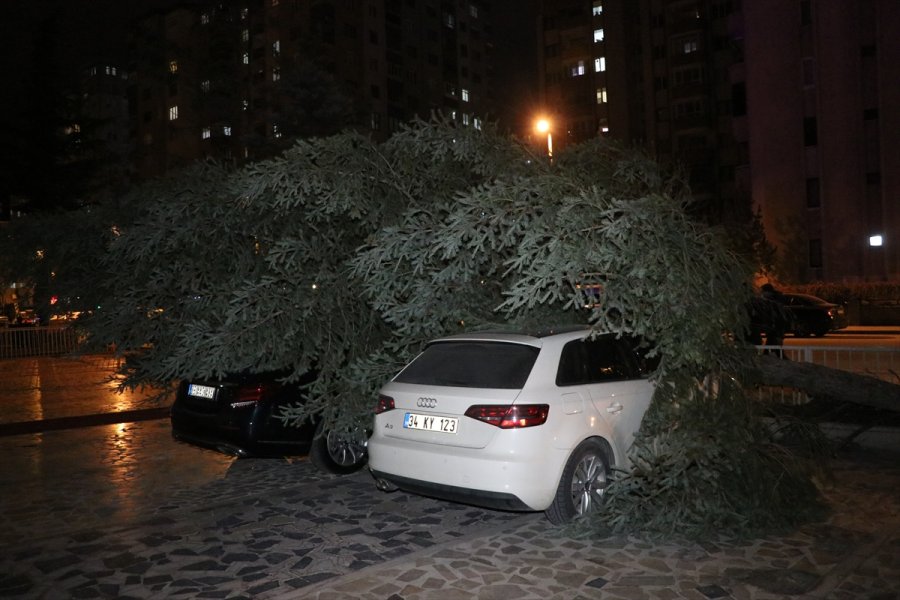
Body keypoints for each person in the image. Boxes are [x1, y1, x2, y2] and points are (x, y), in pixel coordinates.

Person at [760, 283, 791, 356]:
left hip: (777, 325)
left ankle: (769, 355)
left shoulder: (775, 300)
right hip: (774, 326)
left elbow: (777, 313)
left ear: (768, 292)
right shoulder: (776, 298)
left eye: (763, 292)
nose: (762, 294)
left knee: (774, 341)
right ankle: (775, 355)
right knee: (773, 342)